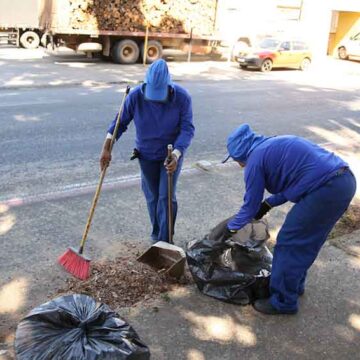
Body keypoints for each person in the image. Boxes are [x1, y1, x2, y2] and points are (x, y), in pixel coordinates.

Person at [221, 124, 356, 315]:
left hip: (325, 189)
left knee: (288, 242)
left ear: (240, 154)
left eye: (236, 160)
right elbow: (299, 180)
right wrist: (269, 203)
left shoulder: (254, 161)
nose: (239, 165)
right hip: (344, 182)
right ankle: (293, 286)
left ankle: (283, 301)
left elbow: (250, 205)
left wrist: (230, 229)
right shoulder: (273, 144)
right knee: (308, 241)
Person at [100, 59, 194, 243]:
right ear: (146, 85)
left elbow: (187, 129)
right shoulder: (135, 96)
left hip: (171, 156)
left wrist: (176, 154)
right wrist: (106, 148)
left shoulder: (182, 97)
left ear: (169, 86)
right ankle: (156, 234)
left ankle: (166, 241)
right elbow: (119, 123)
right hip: (146, 154)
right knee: (152, 196)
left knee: (166, 197)